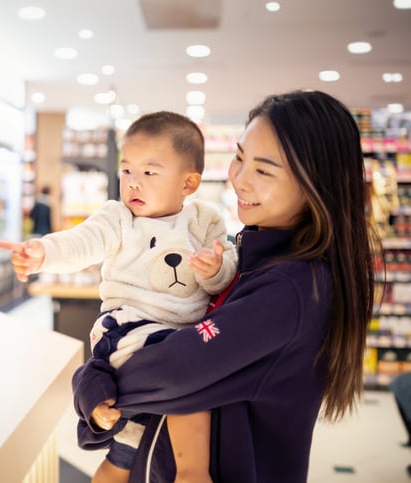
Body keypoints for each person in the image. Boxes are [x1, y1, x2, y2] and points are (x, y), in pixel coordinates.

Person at [71, 90, 379, 482]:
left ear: (316, 185)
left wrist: (94, 376)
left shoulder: (291, 288)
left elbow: (173, 370)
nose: (239, 179)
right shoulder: (254, 259)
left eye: (263, 171)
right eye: (239, 157)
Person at [0, 111, 238, 483]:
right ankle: (193, 472)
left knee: (126, 451)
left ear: (188, 182)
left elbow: (226, 270)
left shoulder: (205, 220)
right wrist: (44, 252)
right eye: (127, 171)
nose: (133, 184)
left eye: (149, 172)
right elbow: (82, 241)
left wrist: (214, 270)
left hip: (177, 334)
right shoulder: (118, 218)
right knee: (191, 371)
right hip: (125, 328)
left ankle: (124, 462)